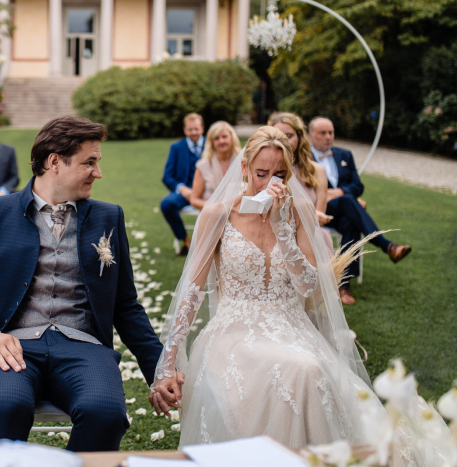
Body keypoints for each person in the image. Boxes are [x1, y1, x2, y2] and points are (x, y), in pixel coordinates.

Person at [148, 127, 451, 461]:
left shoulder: (299, 212)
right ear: (245, 168)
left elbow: (310, 287)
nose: (269, 183)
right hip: (233, 332)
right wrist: (167, 362)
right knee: (301, 371)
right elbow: (191, 291)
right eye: (261, 173)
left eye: (279, 174)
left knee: (308, 369)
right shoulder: (218, 213)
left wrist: (282, 228)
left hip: (291, 326)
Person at [0, 115, 166, 451]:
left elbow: (126, 305)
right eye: (90, 162)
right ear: (54, 161)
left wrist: (160, 369)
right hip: (13, 345)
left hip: (84, 346)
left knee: (107, 412)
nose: (98, 172)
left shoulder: (109, 216)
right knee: (8, 406)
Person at [308, 117, 411, 305]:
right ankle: (386, 245)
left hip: (342, 212)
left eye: (331, 133)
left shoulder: (344, 155)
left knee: (350, 221)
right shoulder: (304, 156)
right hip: (319, 211)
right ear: (310, 135)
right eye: (322, 133)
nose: (328, 137)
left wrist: (338, 192)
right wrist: (331, 194)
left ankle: (343, 284)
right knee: (349, 202)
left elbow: (357, 185)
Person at [269, 112, 333, 255]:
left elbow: (320, 217)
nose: (284, 141)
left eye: (289, 136)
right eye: (278, 136)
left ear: (299, 137)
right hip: (274, 234)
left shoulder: (317, 170)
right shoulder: (266, 172)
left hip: (311, 232)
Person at [161, 113, 206, 256]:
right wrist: (182, 189)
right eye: (190, 129)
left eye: (196, 129)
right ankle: (187, 242)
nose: (194, 132)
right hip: (184, 191)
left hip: (207, 191)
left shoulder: (211, 145)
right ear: (185, 130)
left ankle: (210, 244)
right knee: (166, 204)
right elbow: (167, 176)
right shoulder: (176, 147)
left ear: (202, 129)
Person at [189, 121, 241, 210]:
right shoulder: (203, 165)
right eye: (216, 138)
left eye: (224, 137)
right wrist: (213, 206)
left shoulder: (243, 162)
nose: (221, 141)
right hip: (212, 215)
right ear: (212, 142)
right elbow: (194, 200)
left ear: (232, 138)